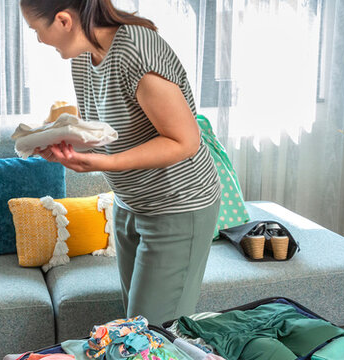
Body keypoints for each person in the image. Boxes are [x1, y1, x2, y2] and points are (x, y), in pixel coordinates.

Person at [21, 0, 221, 326]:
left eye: (36, 30)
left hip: (177, 205)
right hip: (129, 204)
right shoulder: (83, 57)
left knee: (153, 337)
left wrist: (104, 164)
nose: (40, 40)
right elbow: (109, 130)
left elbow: (185, 140)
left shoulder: (137, 53)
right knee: (134, 328)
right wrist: (65, 143)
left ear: (62, 20)